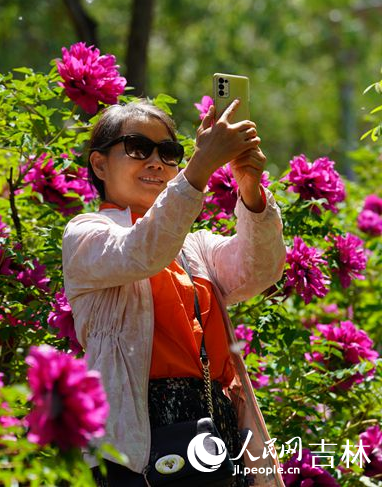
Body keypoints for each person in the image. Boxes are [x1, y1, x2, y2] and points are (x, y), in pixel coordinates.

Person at [62, 99, 286, 487]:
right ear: (99, 165)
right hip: (138, 433)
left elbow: (260, 270)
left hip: (215, 423)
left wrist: (250, 189)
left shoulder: (193, 246)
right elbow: (142, 251)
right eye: (138, 148)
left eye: (168, 153)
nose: (156, 163)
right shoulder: (85, 233)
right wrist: (200, 166)